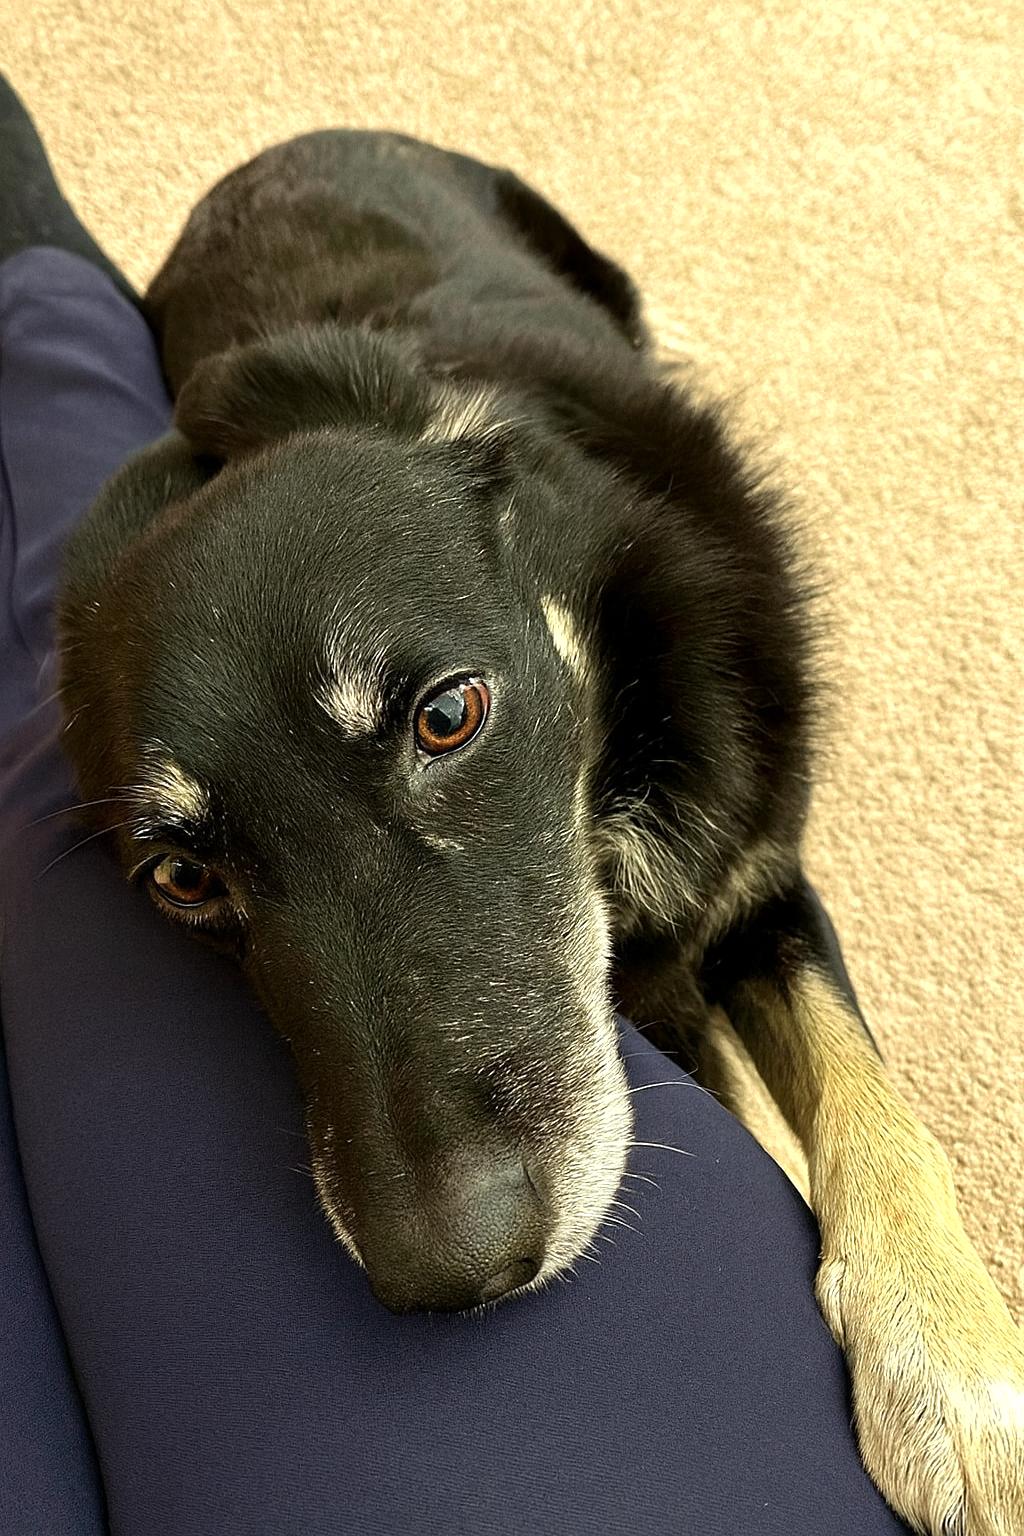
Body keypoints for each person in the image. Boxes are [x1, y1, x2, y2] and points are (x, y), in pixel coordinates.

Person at [0, 76, 909, 1536]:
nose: (433, 1222)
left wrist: (894, 1208)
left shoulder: (528, 518)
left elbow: (764, 910)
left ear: (520, 562)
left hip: (424, 257)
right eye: (196, 878)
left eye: (440, 718)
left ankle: (31, 279)